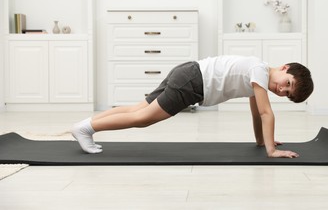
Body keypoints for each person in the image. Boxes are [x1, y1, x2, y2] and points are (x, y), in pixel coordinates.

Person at [72, 55, 314, 158]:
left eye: (287, 94)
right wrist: (271, 151)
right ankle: (86, 129)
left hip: (188, 72)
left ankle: (87, 125)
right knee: (144, 118)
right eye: (288, 84)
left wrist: (262, 142)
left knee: (139, 108)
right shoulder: (259, 71)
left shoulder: (257, 75)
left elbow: (256, 112)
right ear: (284, 68)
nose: (282, 90)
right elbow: (265, 112)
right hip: (192, 82)